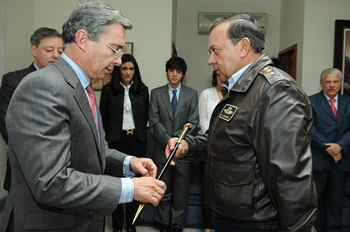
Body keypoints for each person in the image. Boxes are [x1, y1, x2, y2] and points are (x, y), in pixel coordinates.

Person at [0, 1, 166, 231]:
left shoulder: (81, 86)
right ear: (83, 39)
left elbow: (84, 148)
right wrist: (129, 188)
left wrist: (128, 162)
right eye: (115, 49)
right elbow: (52, 183)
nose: (119, 61)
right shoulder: (43, 87)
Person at [165, 14, 317, 231]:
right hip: (230, 217)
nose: (210, 60)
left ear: (243, 47)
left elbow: (291, 180)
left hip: (256, 224)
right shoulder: (240, 88)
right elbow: (226, 140)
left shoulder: (276, 91)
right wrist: (189, 146)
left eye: (215, 51)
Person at [0, 27, 64, 191]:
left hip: (63, 170)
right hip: (25, 166)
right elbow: (8, 127)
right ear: (33, 50)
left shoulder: (67, 82)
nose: (56, 55)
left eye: (60, 50)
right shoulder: (13, 80)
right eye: (49, 50)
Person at [100, 54, 149, 232]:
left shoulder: (143, 90)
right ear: (118, 70)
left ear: (135, 71)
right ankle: (117, 226)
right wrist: (112, 133)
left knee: (136, 184)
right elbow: (103, 117)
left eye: (131, 69)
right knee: (117, 185)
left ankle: (131, 225)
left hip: (137, 140)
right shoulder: (108, 90)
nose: (128, 72)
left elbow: (144, 117)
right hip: (117, 140)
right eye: (124, 68)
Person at [149, 56, 199, 232]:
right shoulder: (156, 93)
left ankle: (177, 224)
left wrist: (176, 140)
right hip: (160, 150)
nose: (174, 74)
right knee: (162, 189)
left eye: (178, 71)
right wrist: (167, 139)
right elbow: (153, 121)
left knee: (181, 192)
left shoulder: (192, 94)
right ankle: (163, 223)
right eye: (171, 70)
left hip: (182, 151)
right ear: (167, 72)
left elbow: (193, 121)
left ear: (183, 74)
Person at [309, 68, 350, 232]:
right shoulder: (310, 101)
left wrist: (340, 146)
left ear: (340, 83)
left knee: (336, 203)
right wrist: (330, 148)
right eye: (328, 82)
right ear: (321, 83)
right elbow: (309, 128)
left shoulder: (348, 103)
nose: (332, 85)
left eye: (335, 81)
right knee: (315, 202)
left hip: (341, 162)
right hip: (319, 161)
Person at [198, 70, 226, 232]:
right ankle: (207, 226)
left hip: (228, 150)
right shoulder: (206, 94)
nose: (221, 78)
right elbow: (203, 120)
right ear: (214, 76)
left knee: (223, 190)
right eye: (218, 75)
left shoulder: (235, 95)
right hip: (209, 148)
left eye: (224, 75)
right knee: (208, 189)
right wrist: (215, 138)